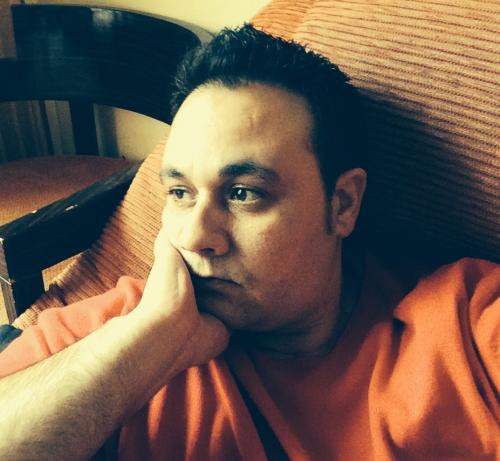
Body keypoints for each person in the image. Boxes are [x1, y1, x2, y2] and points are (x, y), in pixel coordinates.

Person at [0, 24, 498, 461]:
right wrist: (146, 344)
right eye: (180, 193)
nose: (195, 236)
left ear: (343, 204)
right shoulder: (111, 334)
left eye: (243, 193)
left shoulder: (467, 328)